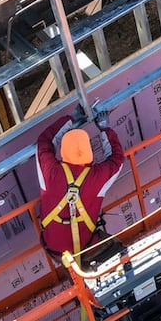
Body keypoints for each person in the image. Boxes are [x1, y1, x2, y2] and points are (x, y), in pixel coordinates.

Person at [35, 106, 126, 265]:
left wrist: (70, 120)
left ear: (63, 151)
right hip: (87, 248)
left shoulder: (51, 172)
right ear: (89, 153)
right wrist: (104, 127)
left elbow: (44, 143)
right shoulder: (97, 177)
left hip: (57, 252)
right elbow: (117, 159)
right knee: (121, 254)